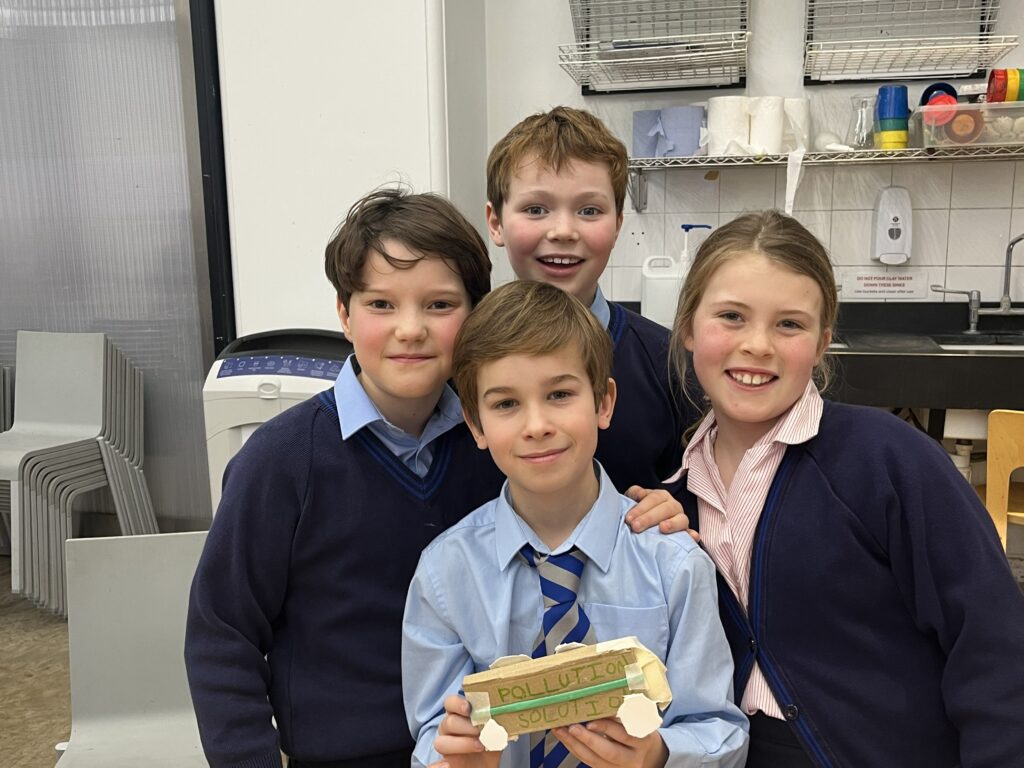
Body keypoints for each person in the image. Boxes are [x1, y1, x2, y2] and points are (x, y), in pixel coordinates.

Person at [184, 188, 688, 768]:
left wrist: (658, 510)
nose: (410, 329)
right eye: (380, 304)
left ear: (474, 317)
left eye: (440, 305)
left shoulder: (503, 441)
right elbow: (222, 635)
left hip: (489, 753)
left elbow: (590, 511)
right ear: (344, 315)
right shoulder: (280, 462)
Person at [665, 209, 1024, 768]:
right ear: (688, 327)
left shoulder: (889, 461)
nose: (757, 345)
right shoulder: (673, 495)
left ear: (822, 343)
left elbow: (993, 644)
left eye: (789, 324)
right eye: (731, 316)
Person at [403, 280, 749, 768]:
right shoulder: (444, 574)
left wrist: (659, 755)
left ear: (603, 402)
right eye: (505, 404)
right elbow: (432, 732)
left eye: (560, 394)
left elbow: (719, 729)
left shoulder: (674, 564)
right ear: (476, 424)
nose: (537, 425)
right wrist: (453, 759)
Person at [485, 106, 702, 496]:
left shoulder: (670, 364)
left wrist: (677, 509)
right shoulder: (465, 360)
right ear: (496, 222)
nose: (563, 231)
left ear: (617, 224)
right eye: (536, 209)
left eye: (589, 210)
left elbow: (703, 490)